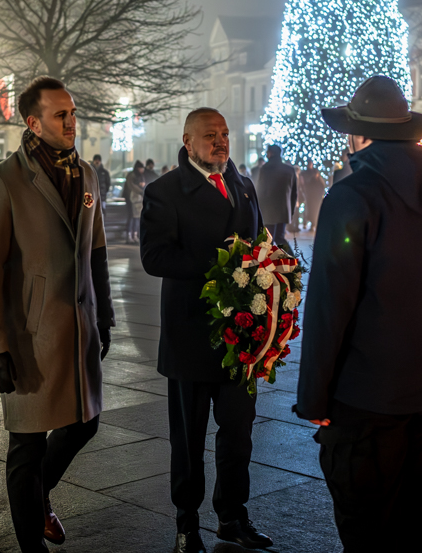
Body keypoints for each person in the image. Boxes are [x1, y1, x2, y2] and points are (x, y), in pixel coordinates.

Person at [295, 75, 422, 552]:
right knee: (413, 511)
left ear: (359, 135)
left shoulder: (351, 197)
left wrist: (315, 399)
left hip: (366, 394)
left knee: (365, 523)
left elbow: (330, 306)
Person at [0, 76, 113, 553]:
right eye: (60, 115)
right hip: (30, 334)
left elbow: (96, 250)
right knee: (26, 449)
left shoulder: (88, 175)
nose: (72, 122)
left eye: (73, 113)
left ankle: (38, 498)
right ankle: (32, 544)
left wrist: (106, 313)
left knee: (85, 422)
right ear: (33, 122)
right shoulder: (3, 180)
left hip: (78, 330)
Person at [140, 107, 270, 553]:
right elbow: (154, 257)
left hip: (242, 338)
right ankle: (186, 523)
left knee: (239, 432)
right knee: (189, 438)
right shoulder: (164, 191)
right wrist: (222, 270)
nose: (220, 141)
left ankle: (232, 516)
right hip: (191, 336)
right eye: (210, 135)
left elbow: (259, 241)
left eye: (224, 134)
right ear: (188, 141)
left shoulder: (243, 184)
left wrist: (277, 267)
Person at [256, 144, 297, 249]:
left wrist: (258, 211)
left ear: (271, 153)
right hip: (283, 210)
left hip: (268, 210)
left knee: (267, 240)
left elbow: (260, 191)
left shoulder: (265, 169)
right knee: (279, 238)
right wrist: (291, 211)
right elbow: (294, 193)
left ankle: (266, 263)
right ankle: (292, 261)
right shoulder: (290, 170)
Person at [299, 160, 327, 233]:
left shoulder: (319, 181)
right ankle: (310, 224)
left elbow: (322, 188)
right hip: (311, 198)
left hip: (316, 199)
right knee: (310, 211)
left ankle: (313, 224)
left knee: (314, 212)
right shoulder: (311, 179)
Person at [122, 161, 147, 243]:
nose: (142, 170)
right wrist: (141, 190)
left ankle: (134, 235)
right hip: (131, 199)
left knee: (136, 217)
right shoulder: (132, 176)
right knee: (131, 216)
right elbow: (132, 186)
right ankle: (129, 235)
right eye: (141, 168)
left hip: (137, 200)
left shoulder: (139, 175)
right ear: (138, 168)